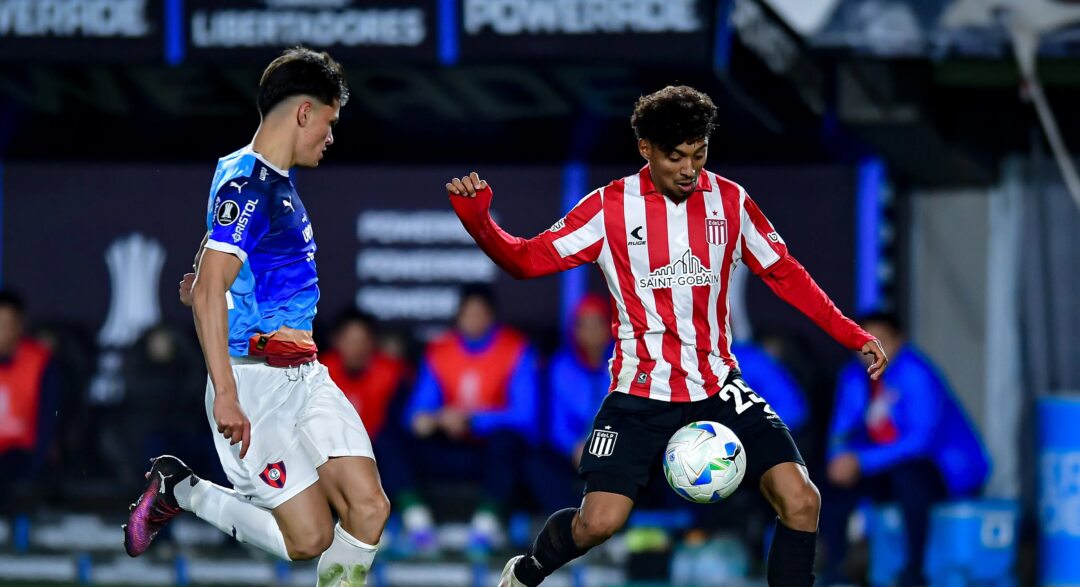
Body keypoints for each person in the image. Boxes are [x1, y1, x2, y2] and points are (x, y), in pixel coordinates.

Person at [445, 85, 888, 587]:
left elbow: (784, 272)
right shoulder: (609, 208)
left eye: (699, 154)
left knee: (802, 500)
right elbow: (526, 260)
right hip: (640, 394)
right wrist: (481, 224)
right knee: (597, 524)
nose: (689, 169)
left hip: (718, 386)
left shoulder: (731, 201)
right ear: (645, 149)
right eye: (675, 156)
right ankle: (526, 572)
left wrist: (850, 333)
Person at [123, 47, 390, 586]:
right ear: (305, 112)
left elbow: (219, 266)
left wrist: (212, 284)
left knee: (370, 509)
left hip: (306, 375)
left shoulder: (256, 177)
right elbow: (210, 287)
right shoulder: (251, 185)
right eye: (330, 122)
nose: (330, 137)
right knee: (309, 540)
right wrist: (225, 392)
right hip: (254, 386)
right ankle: (182, 489)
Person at [820, 311, 989, 587]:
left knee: (910, 479)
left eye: (880, 341)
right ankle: (835, 569)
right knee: (833, 482)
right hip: (884, 463)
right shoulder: (853, 376)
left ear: (900, 341)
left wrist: (861, 461)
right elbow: (841, 430)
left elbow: (920, 441)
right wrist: (839, 460)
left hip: (943, 467)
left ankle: (914, 571)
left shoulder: (916, 374)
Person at [395, 284, 540, 553]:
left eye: (480, 314)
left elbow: (525, 416)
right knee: (392, 440)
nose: (474, 320)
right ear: (459, 316)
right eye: (468, 314)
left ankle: (485, 527)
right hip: (449, 448)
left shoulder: (515, 349)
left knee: (508, 442)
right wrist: (436, 419)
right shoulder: (440, 351)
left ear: (491, 316)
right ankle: (417, 524)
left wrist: (474, 420)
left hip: (489, 452)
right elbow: (416, 411)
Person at [530, 294, 614, 512]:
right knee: (538, 464)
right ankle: (572, 521)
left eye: (597, 324)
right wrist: (574, 448)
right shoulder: (560, 367)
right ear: (575, 331)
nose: (592, 332)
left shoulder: (624, 364)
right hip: (571, 452)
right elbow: (555, 423)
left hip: (613, 449)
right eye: (585, 325)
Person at [0, 290, 61, 496]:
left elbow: (48, 419)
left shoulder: (39, 361)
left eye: (8, 323)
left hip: (22, 457)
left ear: (20, 325)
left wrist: (35, 467)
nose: (3, 331)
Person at [321, 309, 409, 444]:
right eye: (350, 341)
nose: (357, 349)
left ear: (373, 342)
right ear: (336, 341)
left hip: (379, 447)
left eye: (362, 341)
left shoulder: (392, 375)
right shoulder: (320, 374)